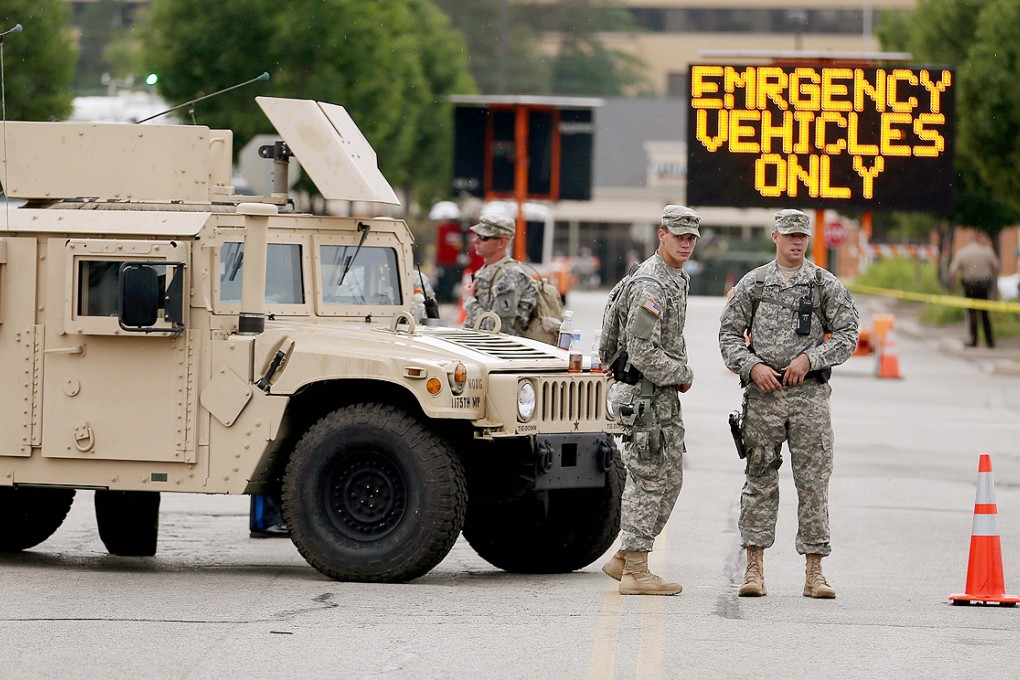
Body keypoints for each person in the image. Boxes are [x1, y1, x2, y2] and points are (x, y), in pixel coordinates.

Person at [718, 209, 859, 599]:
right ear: (775, 236)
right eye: (789, 235)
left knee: (813, 484)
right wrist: (752, 366)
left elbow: (848, 334)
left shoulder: (823, 284)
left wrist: (810, 359)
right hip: (764, 398)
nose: (796, 242)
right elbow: (729, 335)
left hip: (809, 398)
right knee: (760, 480)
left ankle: (815, 573)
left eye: (802, 236)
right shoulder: (755, 284)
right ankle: (754, 568)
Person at [601, 204, 699, 596]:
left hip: (658, 396)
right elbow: (641, 351)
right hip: (644, 394)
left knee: (670, 479)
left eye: (691, 238)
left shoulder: (675, 278)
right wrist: (682, 374)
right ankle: (637, 571)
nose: (686, 244)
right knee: (649, 479)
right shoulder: (652, 285)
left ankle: (625, 557)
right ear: (662, 235)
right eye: (679, 236)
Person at [461, 214, 537, 335]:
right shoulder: (486, 270)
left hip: (498, 351)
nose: (476, 240)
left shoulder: (510, 275)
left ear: (501, 243)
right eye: (477, 235)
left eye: (483, 237)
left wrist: (469, 300)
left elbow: (499, 328)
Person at [949, 231, 999, 348]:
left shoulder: (963, 252)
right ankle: (989, 340)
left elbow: (952, 272)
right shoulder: (987, 251)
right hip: (983, 286)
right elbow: (995, 267)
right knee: (985, 314)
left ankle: (973, 340)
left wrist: (953, 286)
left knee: (971, 314)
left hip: (969, 287)